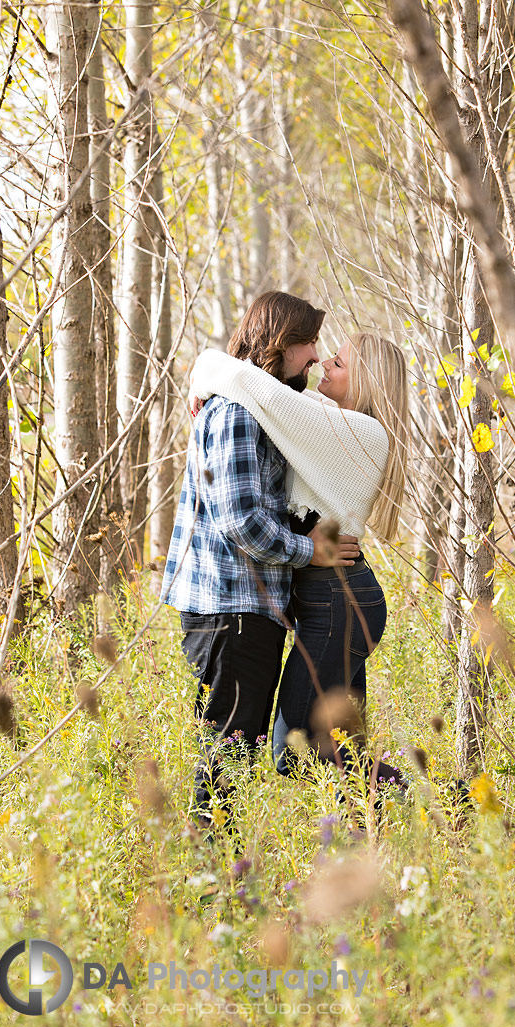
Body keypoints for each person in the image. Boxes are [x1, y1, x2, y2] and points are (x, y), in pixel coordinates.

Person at [160, 291, 360, 834]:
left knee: (236, 753)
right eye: (308, 344)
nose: (316, 357)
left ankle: (223, 882)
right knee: (229, 753)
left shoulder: (258, 405)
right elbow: (241, 521)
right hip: (232, 611)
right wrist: (311, 550)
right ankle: (213, 890)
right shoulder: (237, 414)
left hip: (248, 609)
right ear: (280, 344)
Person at [189, 330, 410, 790]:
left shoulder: (360, 433)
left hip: (338, 601)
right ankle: (400, 838)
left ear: (366, 381)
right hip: (335, 600)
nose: (326, 363)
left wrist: (202, 375)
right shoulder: (332, 425)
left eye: (340, 363)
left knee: (296, 751)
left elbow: (249, 384)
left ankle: (445, 809)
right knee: (340, 750)